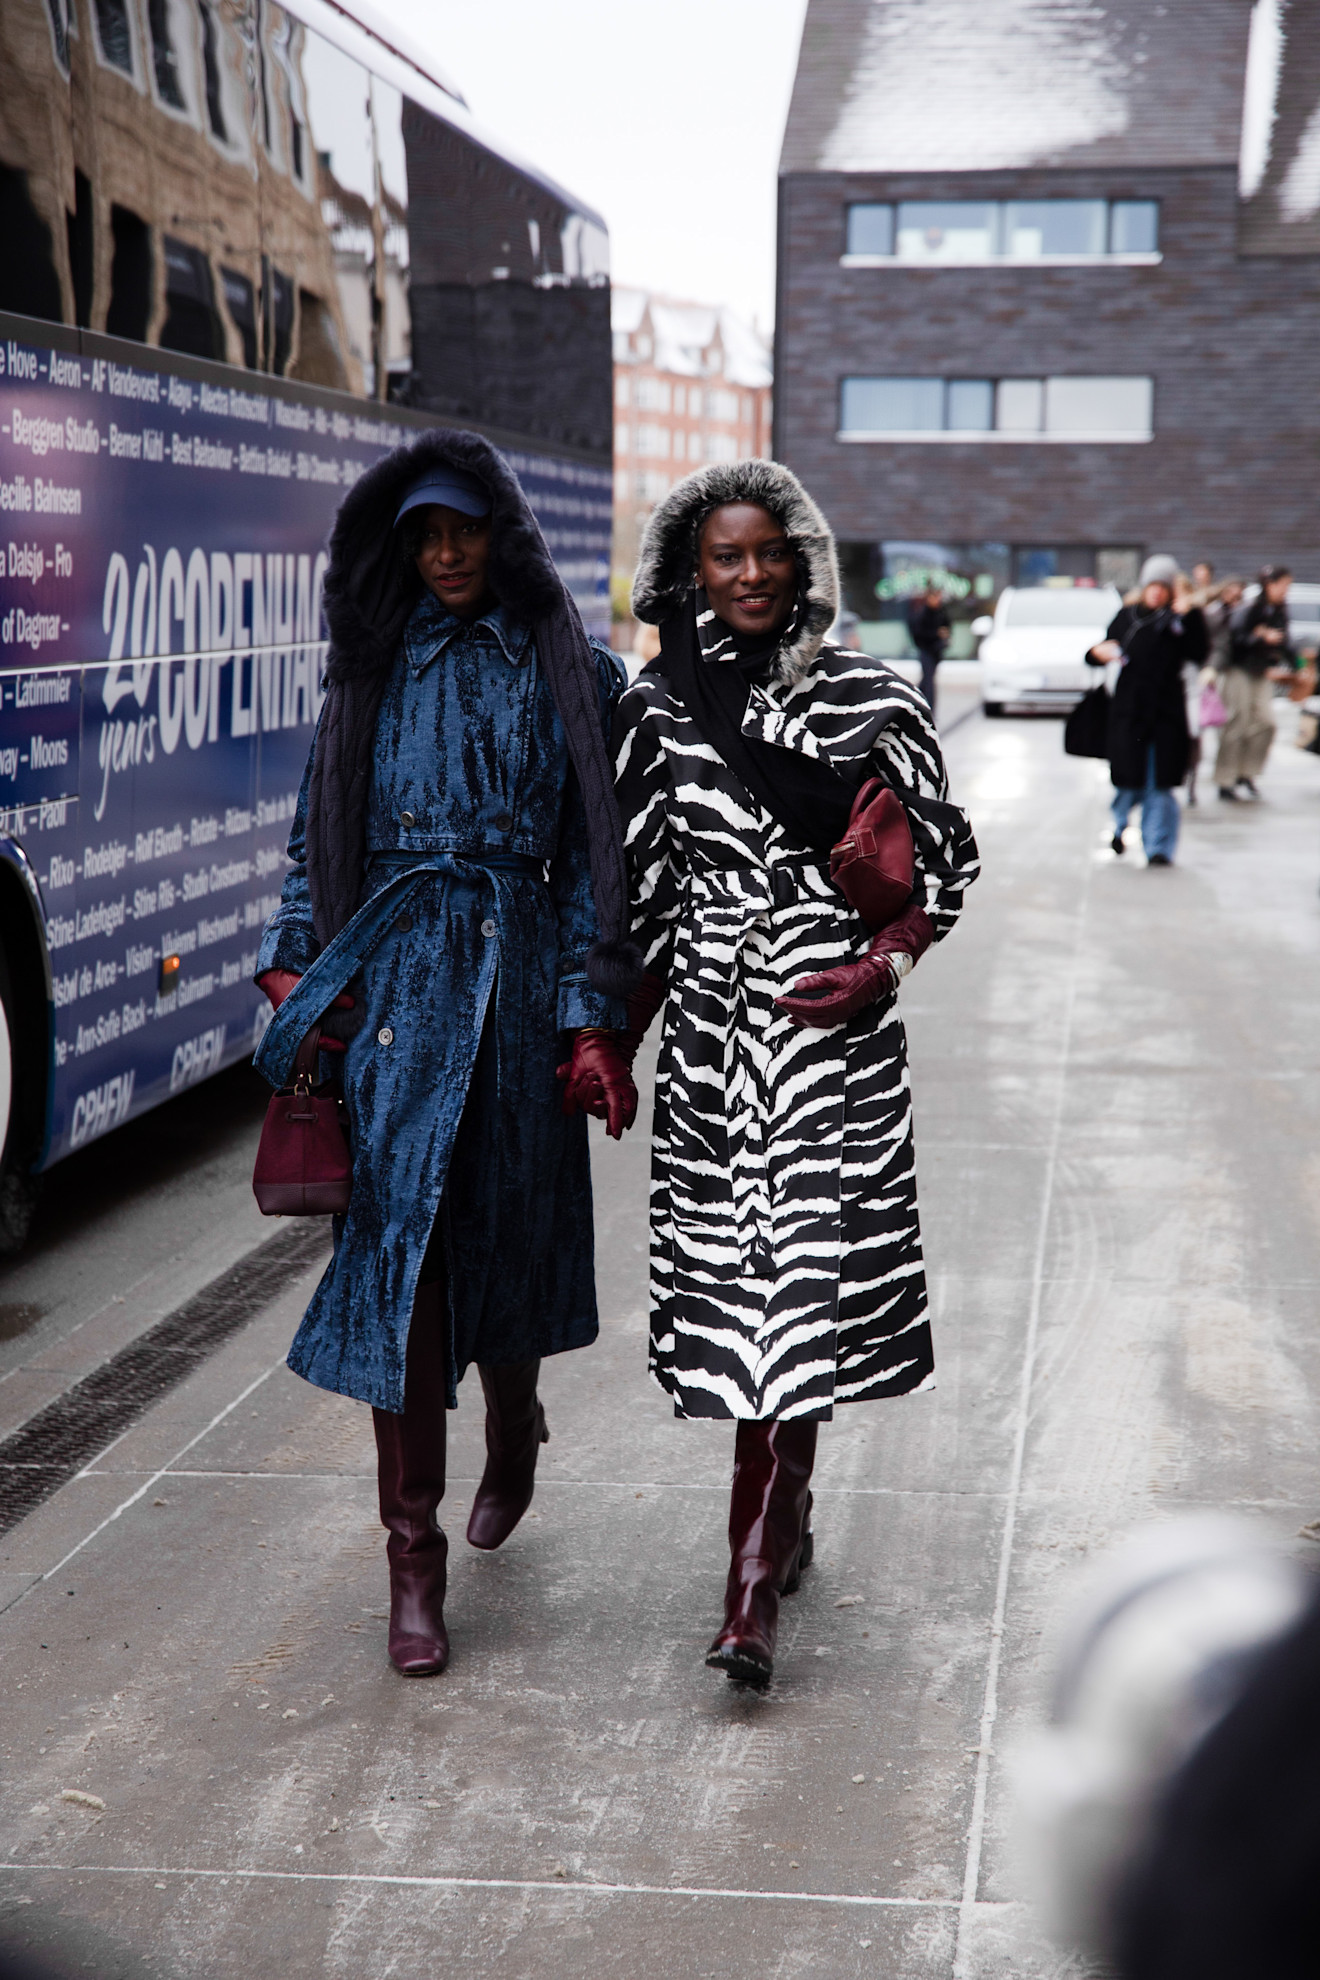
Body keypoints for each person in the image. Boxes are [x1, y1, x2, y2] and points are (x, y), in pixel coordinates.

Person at [252, 431, 642, 1678]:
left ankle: (516, 1423)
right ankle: (408, 1559)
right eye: (423, 534)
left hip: (520, 984)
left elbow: (596, 855)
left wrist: (593, 1011)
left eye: (463, 528)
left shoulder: (568, 667)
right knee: (400, 1267)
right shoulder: (369, 670)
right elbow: (317, 837)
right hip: (400, 995)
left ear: (503, 534)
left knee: (509, 1236)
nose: (445, 553)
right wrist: (300, 969)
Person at [613, 461, 979, 1687]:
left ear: (803, 558)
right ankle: (783, 1526)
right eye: (726, 556)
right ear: (691, 569)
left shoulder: (875, 695)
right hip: (719, 1037)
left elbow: (942, 876)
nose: (752, 573)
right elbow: (646, 901)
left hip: (834, 1030)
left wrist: (878, 969)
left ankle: (748, 1593)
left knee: (799, 1291)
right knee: (748, 1297)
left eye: (769, 550)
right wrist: (607, 1038)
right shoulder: (656, 708)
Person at [1087, 553, 1207, 866]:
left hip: (1166, 717)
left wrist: (1190, 614)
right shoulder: (1127, 616)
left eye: (1164, 587)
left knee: (1161, 784)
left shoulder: (1179, 621)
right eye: (1152, 585)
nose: (1157, 592)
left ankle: (1158, 847)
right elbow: (1100, 650)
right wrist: (1096, 653)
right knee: (1128, 782)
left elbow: (1199, 651)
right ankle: (1120, 825)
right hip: (1129, 714)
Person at [1216, 564, 1295, 800]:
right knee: (1237, 722)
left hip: (1262, 671)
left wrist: (1297, 666)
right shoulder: (1251, 608)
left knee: (1266, 723)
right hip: (1239, 669)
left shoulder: (1280, 611)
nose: (1285, 591)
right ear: (1270, 584)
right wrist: (1259, 637)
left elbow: (1285, 643)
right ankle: (1225, 778)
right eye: (1283, 585)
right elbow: (1235, 639)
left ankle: (1246, 772)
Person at [906, 580, 950, 710]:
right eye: (935, 596)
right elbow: (919, 632)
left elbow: (947, 625)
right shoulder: (922, 613)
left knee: (927, 679)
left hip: (936, 650)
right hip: (926, 650)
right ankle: (928, 707)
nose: (938, 599)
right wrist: (936, 634)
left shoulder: (941, 611)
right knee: (929, 680)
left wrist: (945, 636)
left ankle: (915, 701)